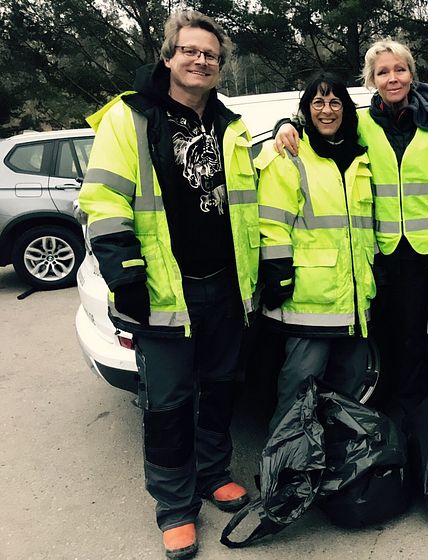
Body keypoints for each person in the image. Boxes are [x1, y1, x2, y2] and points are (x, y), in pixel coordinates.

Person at [78, 10, 258, 559]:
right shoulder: (128, 118)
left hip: (226, 287)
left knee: (222, 388)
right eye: (190, 51)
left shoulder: (230, 126)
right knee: (168, 405)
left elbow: (254, 199)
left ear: (220, 66)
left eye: (210, 54)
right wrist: (124, 271)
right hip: (160, 291)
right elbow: (103, 199)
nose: (200, 60)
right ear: (168, 56)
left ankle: (212, 475)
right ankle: (175, 507)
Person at [275, 40, 428, 415]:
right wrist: (284, 125)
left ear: (411, 73)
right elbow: (322, 128)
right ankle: (413, 421)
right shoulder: (362, 124)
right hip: (396, 256)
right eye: (383, 72)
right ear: (372, 80)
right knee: (407, 346)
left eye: (399, 69)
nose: (393, 78)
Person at [256, 72, 376, 432]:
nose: (327, 111)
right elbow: (272, 222)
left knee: (349, 393)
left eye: (335, 102)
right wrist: (279, 273)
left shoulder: (360, 156)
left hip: (355, 300)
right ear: (306, 110)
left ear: (346, 108)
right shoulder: (290, 154)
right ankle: (288, 470)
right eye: (318, 102)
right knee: (300, 392)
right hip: (310, 300)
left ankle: (341, 466)